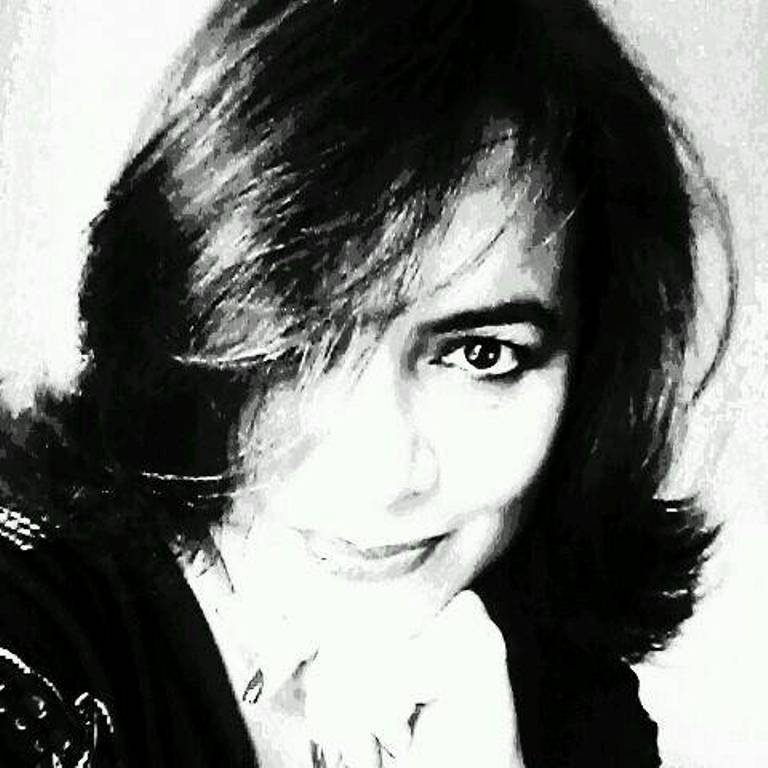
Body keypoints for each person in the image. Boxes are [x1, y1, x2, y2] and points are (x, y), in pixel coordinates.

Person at [0, 0, 735, 766]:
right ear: (180, 321)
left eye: (482, 355)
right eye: (302, 344)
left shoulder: (571, 706)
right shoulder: (28, 628)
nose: (383, 472)